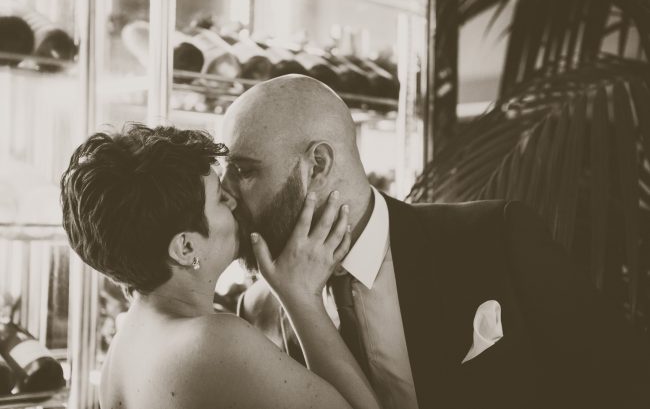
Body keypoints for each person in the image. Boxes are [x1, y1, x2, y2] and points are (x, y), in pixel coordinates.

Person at [223, 74, 650, 409]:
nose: (226, 193)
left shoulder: (494, 238)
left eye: (244, 171)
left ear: (317, 164)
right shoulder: (258, 309)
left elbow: (623, 382)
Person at [60, 124, 382, 409]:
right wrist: (302, 297)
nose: (233, 199)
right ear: (186, 248)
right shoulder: (213, 343)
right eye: (219, 198)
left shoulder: (124, 347)